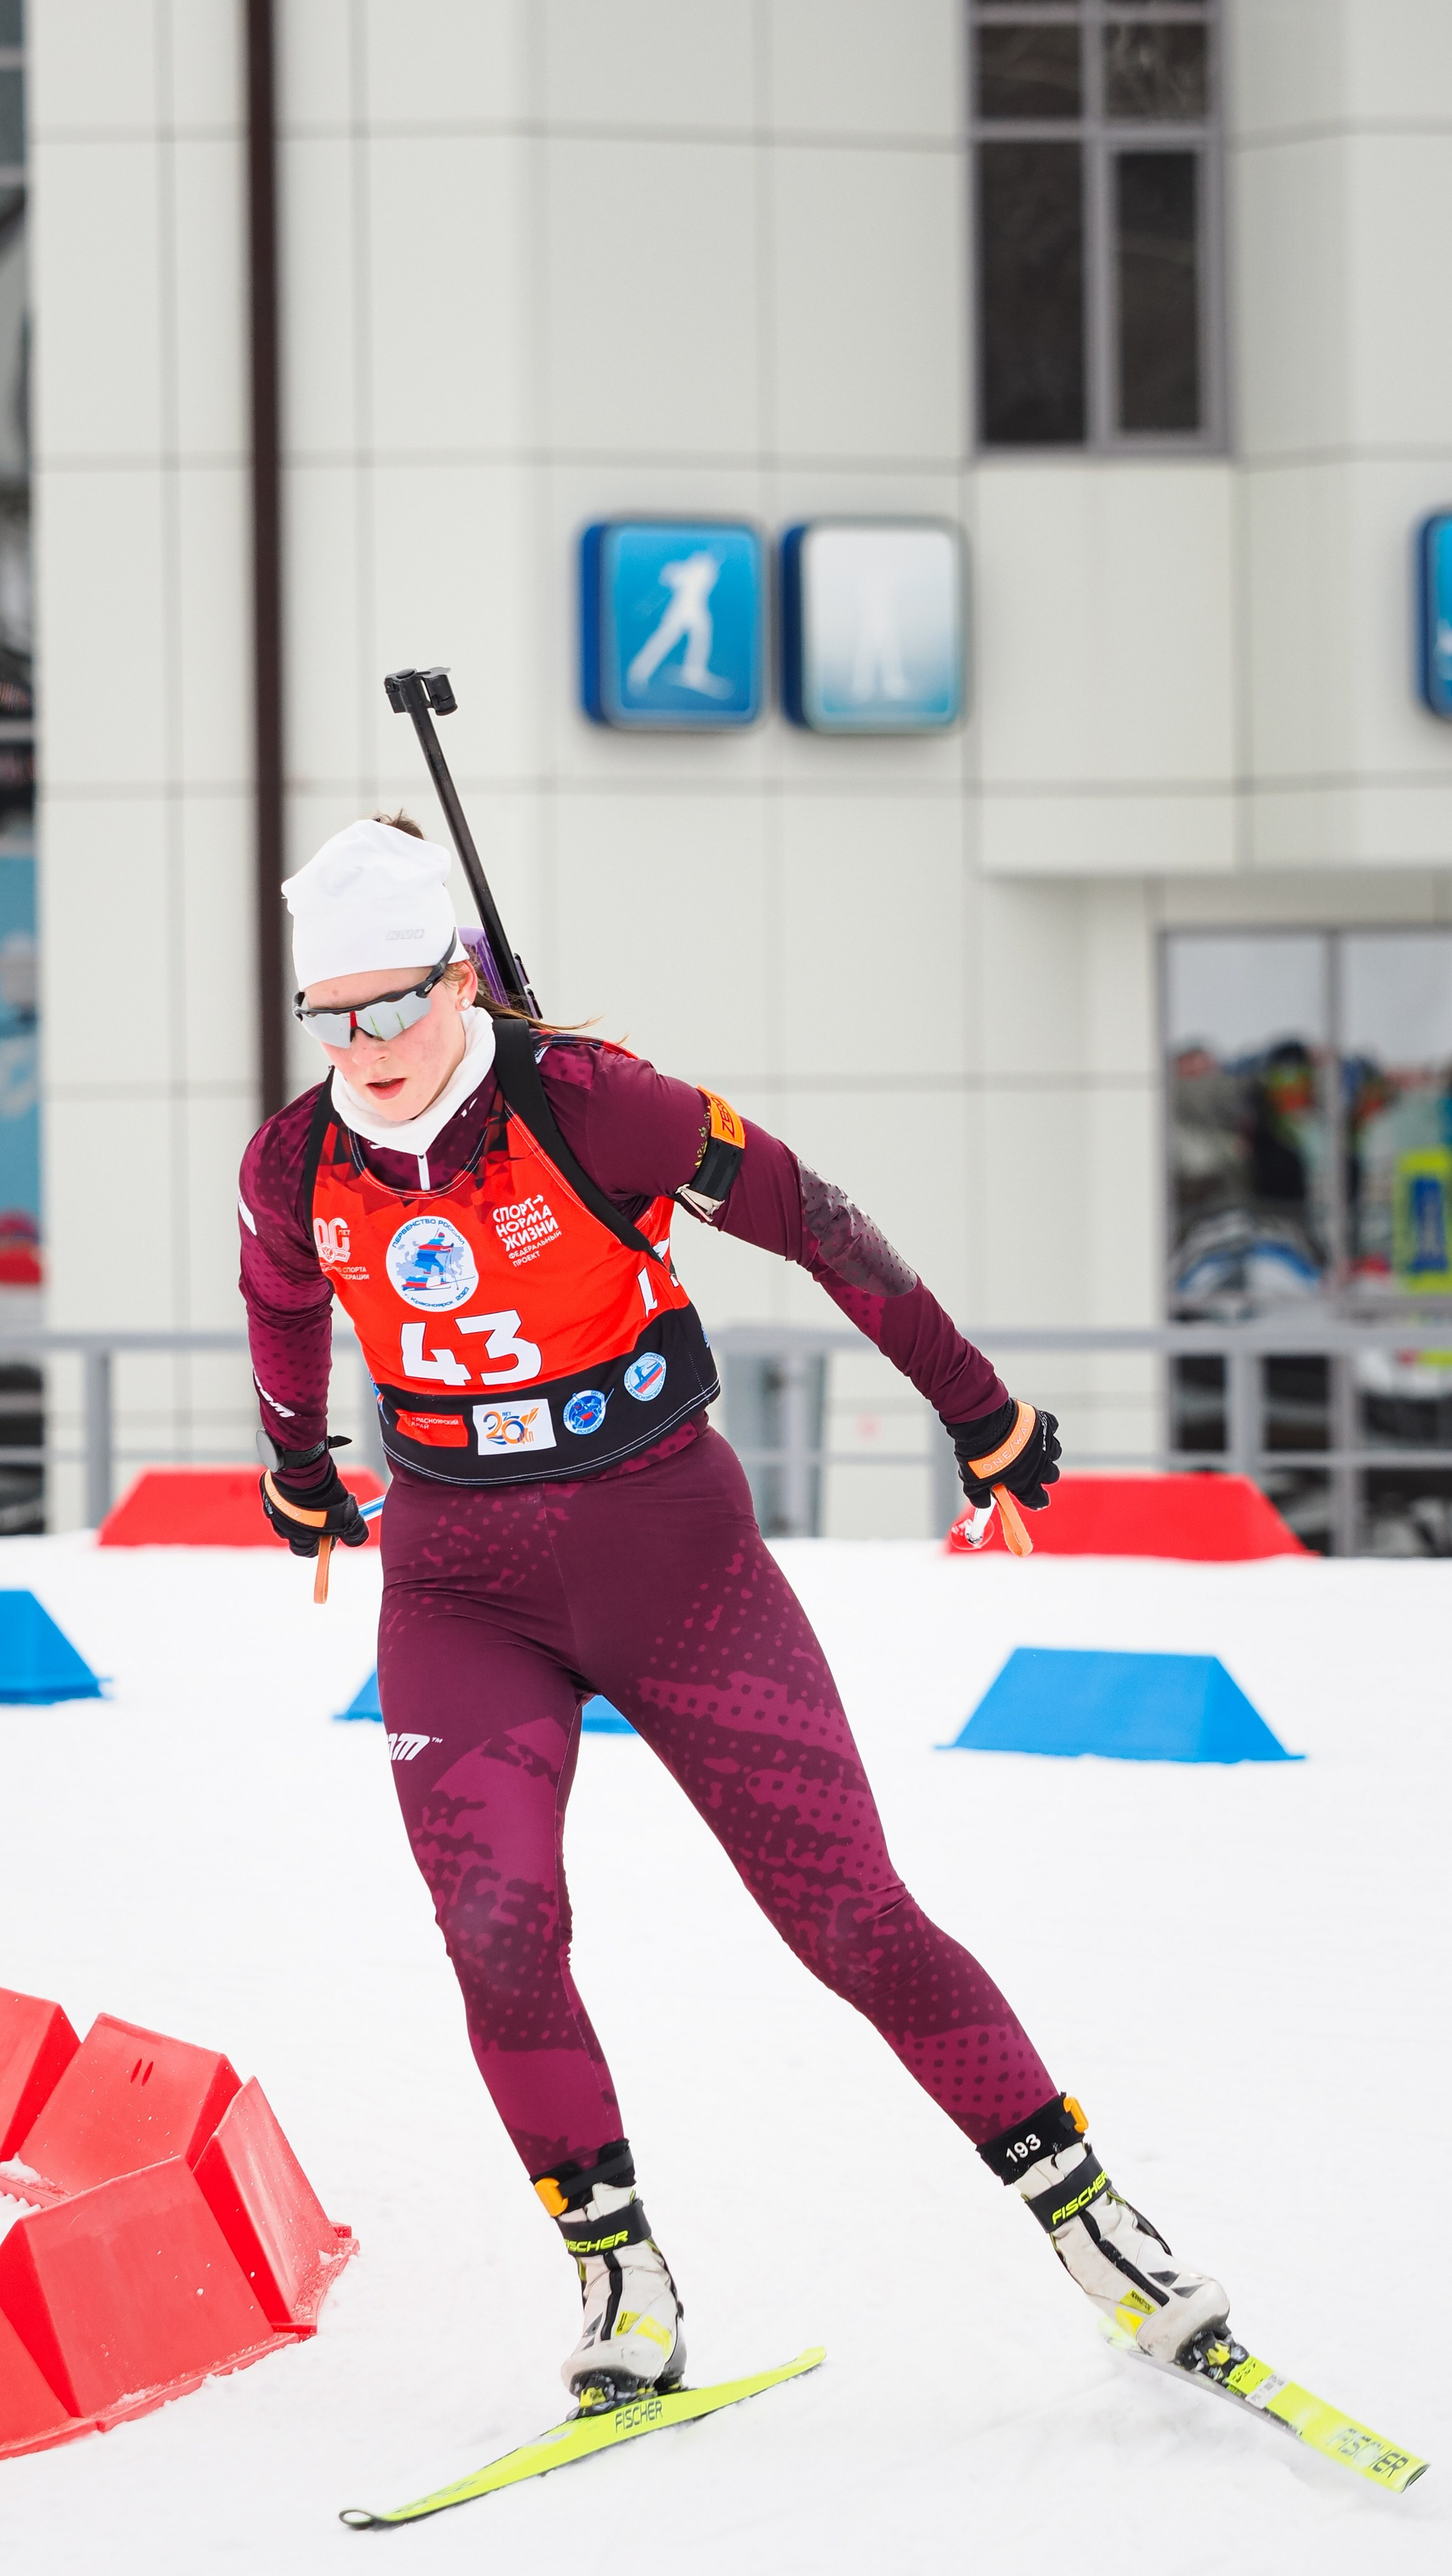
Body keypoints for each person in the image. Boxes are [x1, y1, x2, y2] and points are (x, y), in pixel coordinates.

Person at [239, 816, 1231, 2409]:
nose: (369, 1049)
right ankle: (617, 2271)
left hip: (669, 1558)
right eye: (332, 1018)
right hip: (458, 1583)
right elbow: (282, 1298)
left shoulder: (591, 1100)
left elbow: (814, 1218)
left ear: (461, 978)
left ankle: (1090, 2219)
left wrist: (976, 1409)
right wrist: (296, 1461)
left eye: (398, 1004)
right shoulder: (293, 1161)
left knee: (848, 1915)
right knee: (495, 1929)